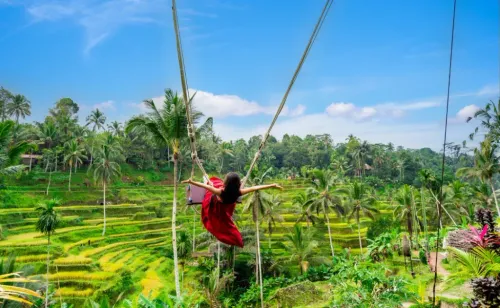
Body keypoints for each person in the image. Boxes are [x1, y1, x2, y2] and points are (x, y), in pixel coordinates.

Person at [182, 172, 283, 247]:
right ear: (238, 184)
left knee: (212, 184)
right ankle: (208, 179)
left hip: (213, 206)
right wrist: (272, 185)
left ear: (226, 183)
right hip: (224, 210)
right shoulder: (239, 192)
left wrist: (191, 182)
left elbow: (205, 187)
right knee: (215, 183)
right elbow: (255, 188)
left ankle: (206, 178)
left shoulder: (220, 192)